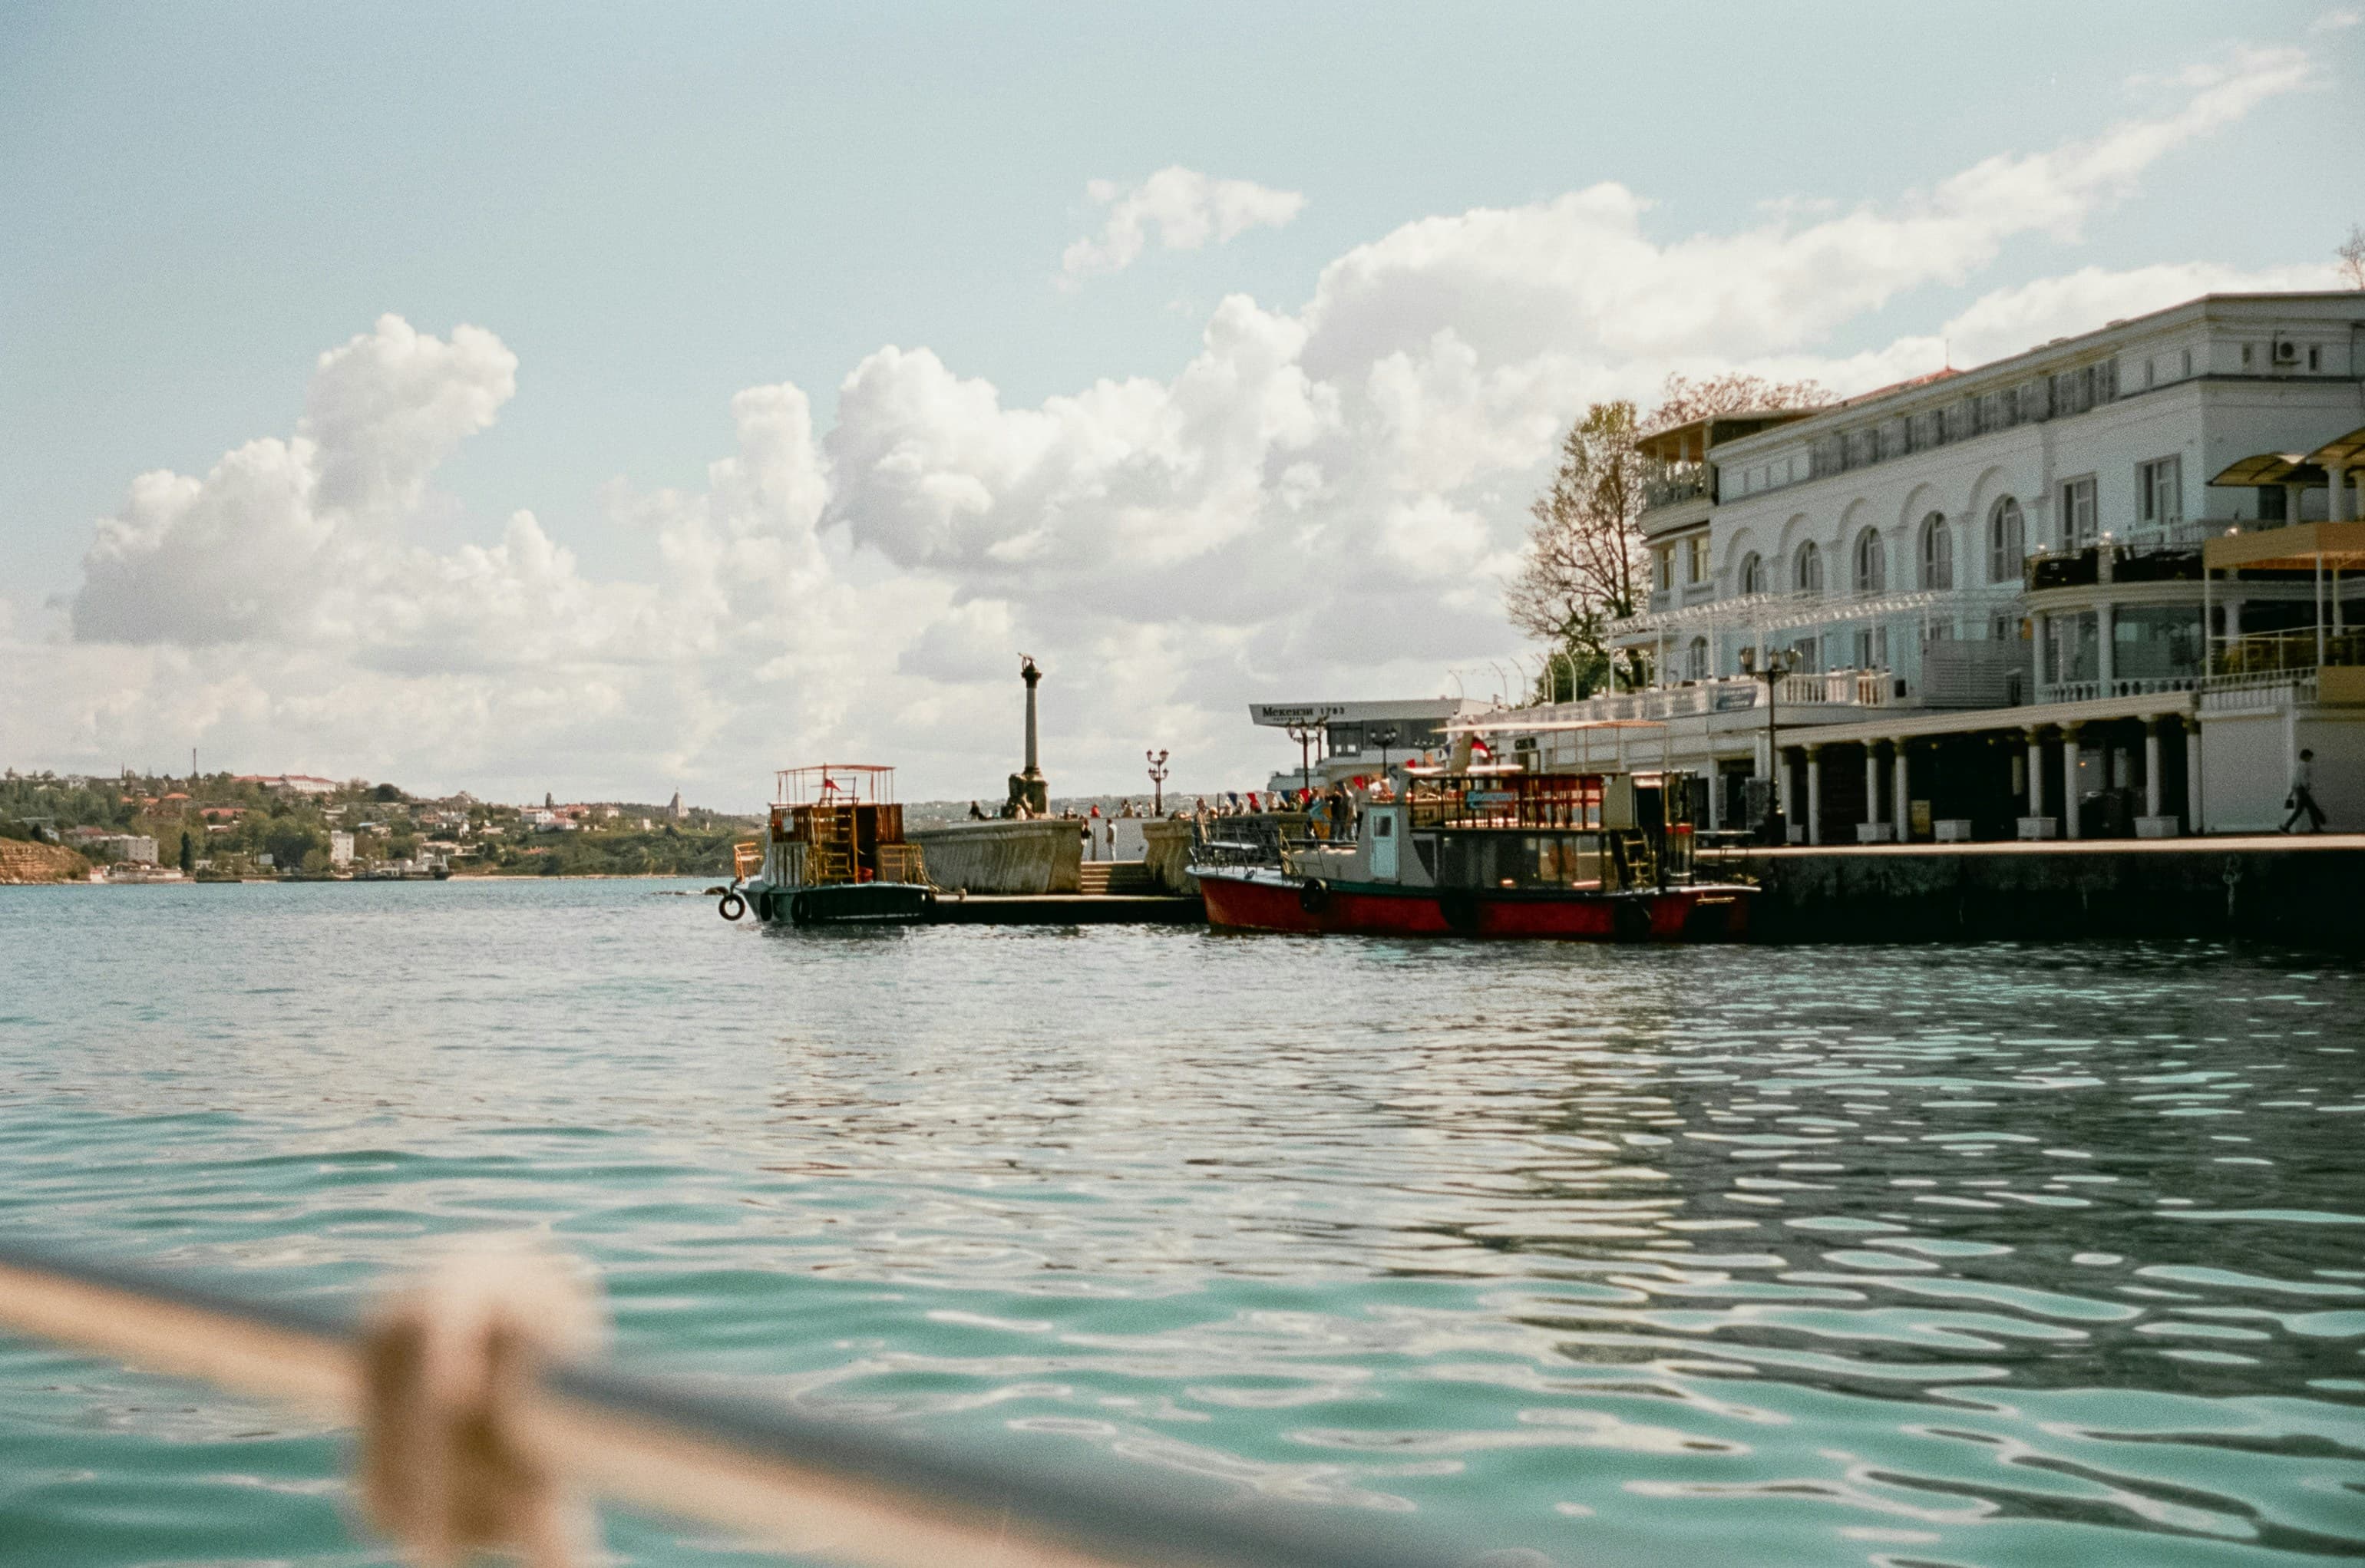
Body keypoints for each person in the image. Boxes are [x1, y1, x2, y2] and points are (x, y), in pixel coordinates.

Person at [2283, 748, 2327, 833]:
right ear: (2306, 757)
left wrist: (2292, 792)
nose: (2310, 759)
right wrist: (2307, 786)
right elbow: (2302, 778)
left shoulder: (2297, 765)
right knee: (2312, 808)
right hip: (2302, 790)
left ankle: (2286, 826)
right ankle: (2318, 826)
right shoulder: (2304, 765)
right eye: (2310, 757)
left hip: (2298, 790)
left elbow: (2295, 779)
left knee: (2301, 810)